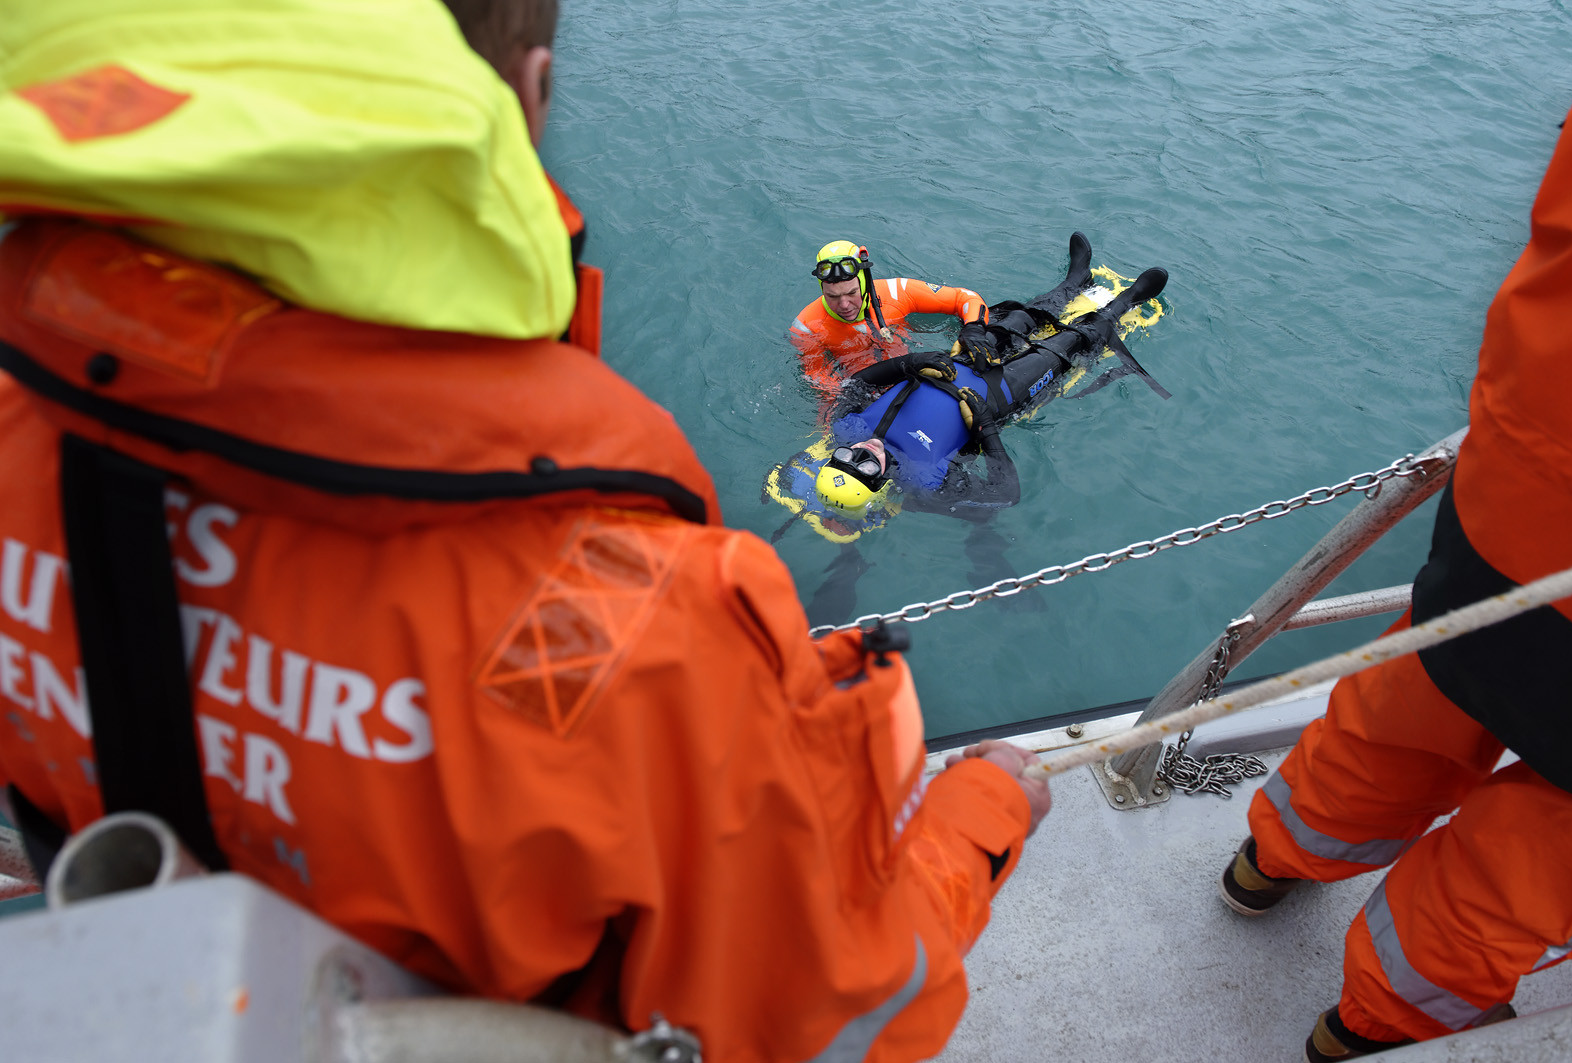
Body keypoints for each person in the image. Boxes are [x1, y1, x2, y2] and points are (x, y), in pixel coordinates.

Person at [0, 2, 1053, 1061]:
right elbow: (827, 1007)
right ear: (533, 89)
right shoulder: (638, 608)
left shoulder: (18, 446)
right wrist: (981, 815)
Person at [1217, 46, 1572, 1063]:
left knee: (1430, 680)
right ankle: (1370, 1022)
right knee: (1564, 829)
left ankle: (1272, 858)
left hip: (1522, 476)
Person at [818, 242, 1168, 521]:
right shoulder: (924, 481)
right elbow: (1004, 496)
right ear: (880, 485)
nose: (864, 451)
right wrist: (985, 427)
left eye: (846, 456)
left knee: (1014, 320)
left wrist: (911, 363)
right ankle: (1126, 302)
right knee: (1067, 343)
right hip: (999, 395)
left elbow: (857, 382)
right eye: (866, 467)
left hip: (950, 365)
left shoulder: (847, 428)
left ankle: (1074, 282)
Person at [789, 240, 988, 394]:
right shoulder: (806, 326)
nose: (844, 305)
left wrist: (974, 328)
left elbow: (965, 297)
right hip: (863, 391)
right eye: (832, 296)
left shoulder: (896, 291)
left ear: (864, 282)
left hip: (919, 372)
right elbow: (824, 387)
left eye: (852, 293)